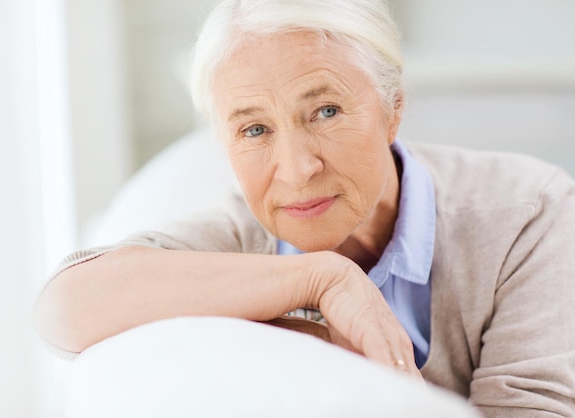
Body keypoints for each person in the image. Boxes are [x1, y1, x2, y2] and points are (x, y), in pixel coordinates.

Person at [34, 0, 575, 416]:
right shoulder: (238, 240)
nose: (295, 170)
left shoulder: (528, 215)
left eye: (326, 111)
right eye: (254, 129)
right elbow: (62, 309)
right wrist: (322, 278)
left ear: (393, 110)